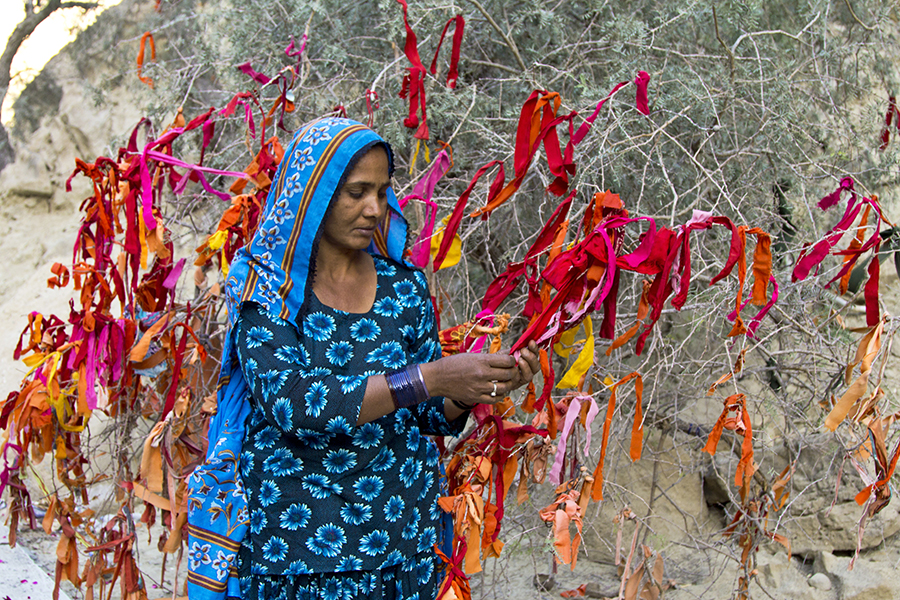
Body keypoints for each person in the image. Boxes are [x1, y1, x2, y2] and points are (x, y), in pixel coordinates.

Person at [187, 116, 540, 600]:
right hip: (300, 553)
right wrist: (432, 377)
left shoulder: (403, 286)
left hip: (403, 545)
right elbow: (294, 404)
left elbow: (426, 412)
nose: (374, 208)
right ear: (311, 194)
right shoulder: (268, 289)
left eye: (381, 190)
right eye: (355, 192)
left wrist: (481, 383)